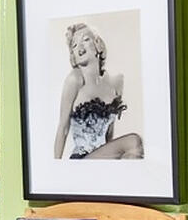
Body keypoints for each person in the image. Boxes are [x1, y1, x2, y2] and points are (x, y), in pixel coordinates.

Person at [53, 22, 142, 160]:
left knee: (133, 151)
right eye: (74, 46)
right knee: (134, 142)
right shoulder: (75, 79)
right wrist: (55, 169)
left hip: (102, 159)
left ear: (98, 45)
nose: (79, 47)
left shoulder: (116, 83)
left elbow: (109, 133)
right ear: (74, 57)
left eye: (85, 39)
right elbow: (63, 128)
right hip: (81, 160)